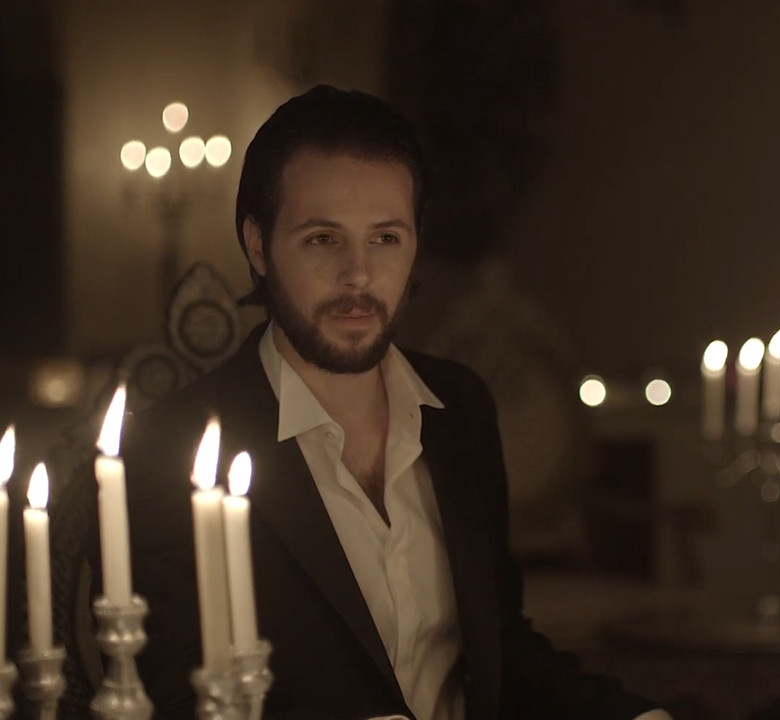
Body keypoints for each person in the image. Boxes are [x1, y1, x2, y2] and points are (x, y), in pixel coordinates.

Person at [104, 85, 670, 720]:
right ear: (258, 245)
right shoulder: (170, 449)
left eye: (385, 238)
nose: (358, 275)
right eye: (323, 238)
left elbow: (502, 650)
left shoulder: (461, 407)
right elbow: (177, 698)